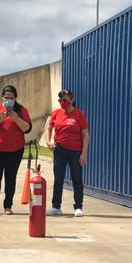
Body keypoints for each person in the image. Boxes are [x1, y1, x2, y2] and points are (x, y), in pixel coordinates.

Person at [0, 84, 32, 215]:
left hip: (15, 150)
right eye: (6, 97)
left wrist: (16, 117)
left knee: (10, 178)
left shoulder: (21, 110)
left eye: (11, 97)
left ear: (15, 98)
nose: (8, 99)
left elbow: (27, 128)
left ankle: (8, 206)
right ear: (2, 97)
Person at [43, 88, 90, 217]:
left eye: (65, 100)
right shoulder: (56, 113)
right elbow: (49, 128)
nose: (62, 102)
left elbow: (86, 135)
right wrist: (48, 141)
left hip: (75, 151)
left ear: (71, 100)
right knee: (58, 178)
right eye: (60, 100)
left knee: (77, 179)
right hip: (60, 150)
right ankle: (56, 207)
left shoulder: (79, 114)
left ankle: (78, 207)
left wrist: (84, 154)